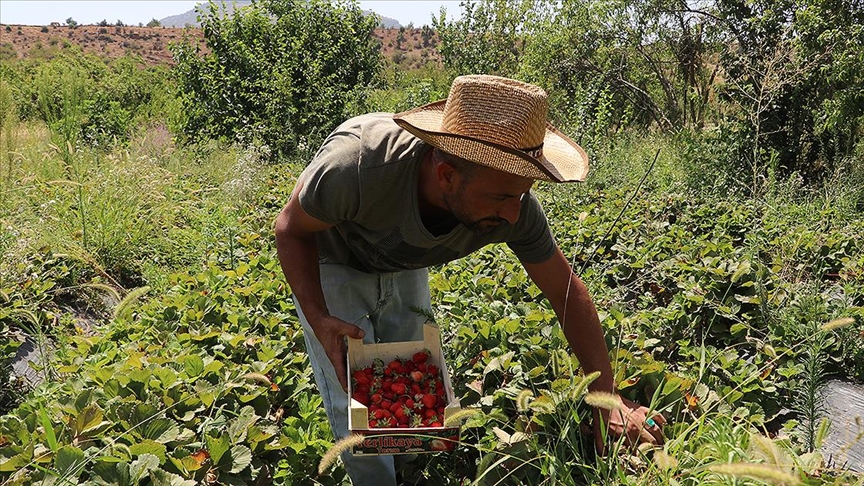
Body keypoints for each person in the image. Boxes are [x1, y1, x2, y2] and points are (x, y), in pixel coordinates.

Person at [275, 74, 665, 485]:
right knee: (356, 398)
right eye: (501, 198)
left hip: (402, 261)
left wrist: (608, 400)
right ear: (446, 175)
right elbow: (290, 229)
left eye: (522, 195)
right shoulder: (356, 166)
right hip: (330, 257)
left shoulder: (514, 207)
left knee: (406, 377)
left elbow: (565, 292)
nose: (513, 214)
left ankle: (406, 468)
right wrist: (319, 317)